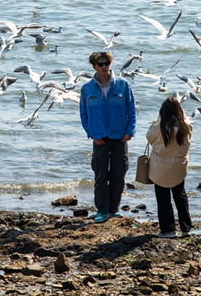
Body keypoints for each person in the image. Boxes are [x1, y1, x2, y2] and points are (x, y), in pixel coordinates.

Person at [79, 51, 137, 223]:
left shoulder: (123, 85)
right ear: (94, 66)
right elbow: (83, 114)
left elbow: (132, 109)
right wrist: (92, 134)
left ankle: (114, 210)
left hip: (120, 137)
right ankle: (101, 211)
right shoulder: (86, 88)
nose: (105, 67)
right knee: (101, 174)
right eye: (101, 64)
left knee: (119, 174)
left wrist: (129, 131)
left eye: (107, 63)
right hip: (99, 138)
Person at [146, 96, 192, 238]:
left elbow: (149, 137)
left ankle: (168, 230)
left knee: (163, 199)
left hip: (160, 168)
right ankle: (186, 229)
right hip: (178, 167)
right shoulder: (186, 126)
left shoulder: (160, 128)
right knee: (180, 196)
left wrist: (158, 119)